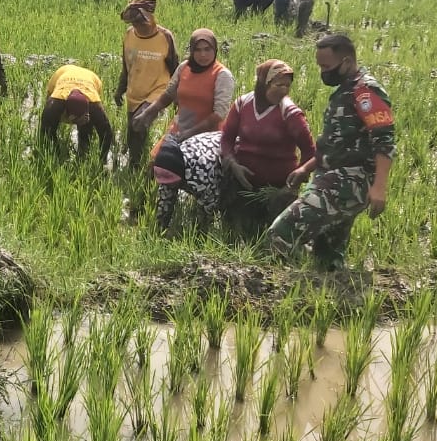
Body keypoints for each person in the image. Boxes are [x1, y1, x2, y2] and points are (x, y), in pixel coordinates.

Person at [267, 34, 396, 272]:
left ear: (346, 62)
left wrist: (379, 187)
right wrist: (306, 168)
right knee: (327, 255)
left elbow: (384, 140)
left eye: (326, 67)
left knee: (282, 232)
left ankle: (285, 285)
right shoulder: (345, 90)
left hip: (349, 181)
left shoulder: (365, 92)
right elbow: (336, 143)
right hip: (334, 177)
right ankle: (331, 288)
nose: (323, 72)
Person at [218, 59, 316, 239]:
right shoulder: (243, 104)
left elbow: (310, 152)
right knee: (238, 231)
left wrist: (294, 183)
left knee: (273, 235)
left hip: (277, 189)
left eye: (287, 86)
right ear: (264, 83)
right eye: (278, 85)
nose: (284, 90)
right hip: (243, 182)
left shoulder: (290, 113)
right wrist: (232, 164)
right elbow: (226, 138)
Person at [132, 29, 235, 144]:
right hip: (178, 131)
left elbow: (219, 114)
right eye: (197, 50)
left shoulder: (222, 75)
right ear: (191, 50)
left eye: (207, 49)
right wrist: (147, 113)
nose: (203, 54)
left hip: (206, 140)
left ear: (215, 50)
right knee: (160, 155)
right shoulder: (184, 67)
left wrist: (190, 133)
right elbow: (168, 95)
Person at [113, 0, 178, 170]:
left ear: (150, 19)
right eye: (134, 23)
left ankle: (152, 165)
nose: (138, 26)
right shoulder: (129, 35)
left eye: (141, 22)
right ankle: (136, 165)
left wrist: (177, 97)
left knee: (139, 122)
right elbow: (126, 66)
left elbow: (175, 67)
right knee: (133, 135)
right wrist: (120, 90)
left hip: (158, 90)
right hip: (135, 92)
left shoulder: (165, 37)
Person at [145, 131, 223, 230]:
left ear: (181, 175)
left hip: (224, 151)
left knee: (208, 211)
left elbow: (210, 205)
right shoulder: (169, 161)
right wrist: (159, 227)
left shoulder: (201, 177)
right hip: (203, 148)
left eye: (172, 183)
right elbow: (165, 199)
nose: (169, 185)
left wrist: (200, 230)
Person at [40, 64, 113, 163]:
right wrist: (56, 157)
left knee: (86, 131)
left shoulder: (94, 105)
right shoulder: (55, 103)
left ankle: (83, 156)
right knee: (49, 127)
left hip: (91, 78)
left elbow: (107, 134)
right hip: (63, 72)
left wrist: (102, 160)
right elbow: (46, 132)